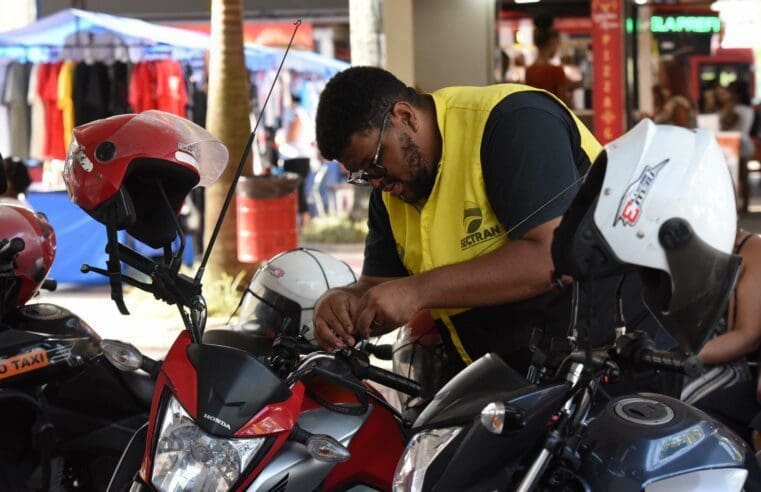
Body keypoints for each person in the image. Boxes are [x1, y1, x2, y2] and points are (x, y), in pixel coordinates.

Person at [311, 66, 604, 377]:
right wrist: (344, 301)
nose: (375, 181)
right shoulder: (391, 188)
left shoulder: (514, 122)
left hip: (598, 359)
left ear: (405, 117)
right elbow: (382, 286)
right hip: (499, 377)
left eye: (374, 162)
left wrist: (418, 291)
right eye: (362, 175)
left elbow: (553, 256)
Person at [680, 230, 761, 442]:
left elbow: (748, 335)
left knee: (678, 414)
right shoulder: (664, 240)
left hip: (716, 361)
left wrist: (682, 355)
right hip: (661, 353)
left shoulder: (749, 247)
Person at [525, 19, 578, 106]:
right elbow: (564, 103)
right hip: (553, 116)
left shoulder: (529, 71)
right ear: (552, 42)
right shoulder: (556, 71)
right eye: (557, 44)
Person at [652, 59, 696, 129]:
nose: (658, 76)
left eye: (662, 73)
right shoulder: (672, 101)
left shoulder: (678, 104)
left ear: (671, 76)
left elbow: (683, 132)